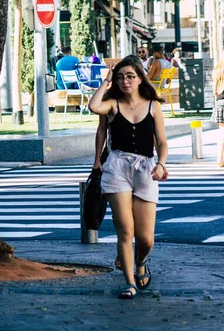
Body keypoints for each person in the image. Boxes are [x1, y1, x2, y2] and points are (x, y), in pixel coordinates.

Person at [88, 55, 169, 299]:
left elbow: (163, 142)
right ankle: (130, 283)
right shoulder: (112, 104)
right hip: (117, 168)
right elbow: (93, 107)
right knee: (125, 231)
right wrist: (106, 82)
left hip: (146, 169)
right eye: (121, 77)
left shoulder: (154, 106)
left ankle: (140, 261)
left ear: (140, 78)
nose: (125, 81)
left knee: (145, 239)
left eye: (130, 76)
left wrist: (162, 164)